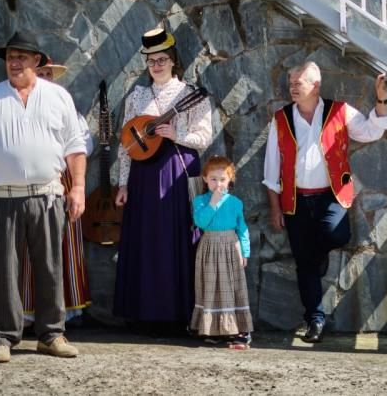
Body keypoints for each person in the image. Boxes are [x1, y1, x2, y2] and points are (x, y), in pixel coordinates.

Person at [0, 33, 87, 364]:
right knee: (3, 269)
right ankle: (3, 337)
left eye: (22, 57)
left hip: (47, 195)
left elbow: (74, 146)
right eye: (10, 57)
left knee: (50, 266)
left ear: (37, 61)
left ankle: (51, 335)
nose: (14, 62)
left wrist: (79, 187)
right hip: (2, 197)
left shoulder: (58, 97)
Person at [263, 62, 387, 343]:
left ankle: (318, 256)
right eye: (291, 82)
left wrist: (381, 99)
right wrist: (275, 207)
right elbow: (272, 167)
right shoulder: (280, 119)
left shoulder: (339, 111)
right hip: (295, 200)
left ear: (316, 85)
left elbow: (372, 131)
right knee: (304, 264)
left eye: (299, 82)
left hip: (332, 195)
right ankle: (315, 320)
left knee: (337, 234)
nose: (293, 87)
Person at [113, 26, 213, 329]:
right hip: (143, 175)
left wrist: (177, 134)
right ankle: (144, 313)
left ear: (173, 61)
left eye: (162, 60)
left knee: (177, 238)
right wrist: (122, 183)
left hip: (177, 171)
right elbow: (127, 144)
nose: (157, 65)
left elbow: (205, 137)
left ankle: (178, 313)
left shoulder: (191, 96)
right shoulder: (137, 96)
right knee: (146, 240)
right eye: (151, 61)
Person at [20, 61, 93, 324]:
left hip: (63, 178)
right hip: (30, 179)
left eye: (49, 74)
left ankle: (67, 311)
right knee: (29, 244)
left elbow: (84, 144)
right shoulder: (21, 106)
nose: (46, 78)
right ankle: (28, 313)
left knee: (66, 242)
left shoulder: (66, 107)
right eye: (41, 74)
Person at [190, 156, 253, 349]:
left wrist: (245, 252)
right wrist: (213, 202)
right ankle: (213, 329)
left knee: (232, 288)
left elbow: (242, 228)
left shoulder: (235, 203)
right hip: (209, 247)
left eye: (222, 179)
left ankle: (239, 330)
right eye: (213, 179)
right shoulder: (200, 201)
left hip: (230, 248)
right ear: (205, 179)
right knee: (210, 287)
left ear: (230, 180)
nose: (218, 184)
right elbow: (201, 222)